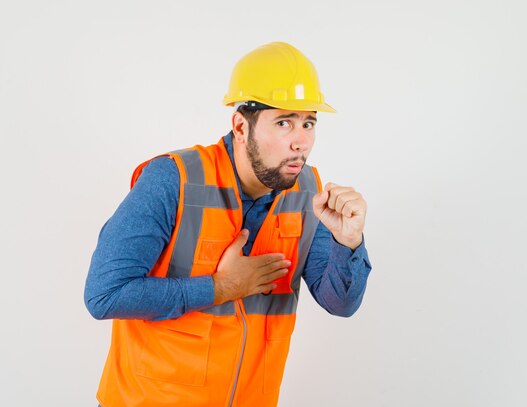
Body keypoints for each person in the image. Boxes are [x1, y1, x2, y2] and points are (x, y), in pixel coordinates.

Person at [84, 41, 372, 407]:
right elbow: (104, 296)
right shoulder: (173, 179)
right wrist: (220, 288)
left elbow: (339, 303)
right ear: (240, 125)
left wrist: (348, 243)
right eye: (284, 122)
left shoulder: (307, 192)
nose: (300, 142)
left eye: (308, 123)